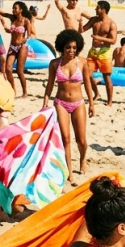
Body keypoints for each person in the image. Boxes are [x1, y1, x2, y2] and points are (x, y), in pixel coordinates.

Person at [42, 30, 92, 184]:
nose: (71, 51)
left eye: (74, 47)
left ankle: (83, 158)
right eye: (68, 47)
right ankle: (69, 171)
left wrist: (92, 103)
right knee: (65, 138)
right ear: (61, 47)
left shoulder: (82, 62)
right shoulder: (55, 64)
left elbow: (88, 84)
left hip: (78, 103)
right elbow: (50, 84)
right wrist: (45, 102)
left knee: (81, 139)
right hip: (60, 103)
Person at [0, 1, 33, 98]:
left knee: (19, 71)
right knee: (8, 69)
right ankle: (13, 89)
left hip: (22, 46)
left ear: (21, 10)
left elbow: (30, 35)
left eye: (16, 8)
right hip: (12, 46)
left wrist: (24, 39)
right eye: (13, 8)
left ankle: (25, 92)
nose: (13, 10)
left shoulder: (26, 21)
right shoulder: (12, 18)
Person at [81, 1, 118, 106]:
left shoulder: (111, 23)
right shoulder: (94, 20)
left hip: (104, 52)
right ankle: (96, 93)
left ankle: (109, 101)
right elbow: (82, 30)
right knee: (87, 75)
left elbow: (113, 40)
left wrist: (99, 38)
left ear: (103, 10)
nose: (95, 10)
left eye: (97, 8)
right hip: (93, 51)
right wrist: (80, 23)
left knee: (106, 77)